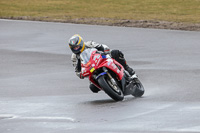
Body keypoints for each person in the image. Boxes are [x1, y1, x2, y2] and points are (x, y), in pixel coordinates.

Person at [69, 34, 135, 93]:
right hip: (91, 70)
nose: (76, 49)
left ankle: (128, 69)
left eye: (77, 46)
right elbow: (77, 71)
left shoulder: (89, 44)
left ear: (81, 44)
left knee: (116, 53)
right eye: (74, 48)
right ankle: (108, 88)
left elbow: (102, 46)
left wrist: (106, 51)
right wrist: (81, 74)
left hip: (100, 60)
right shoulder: (74, 57)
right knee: (93, 88)